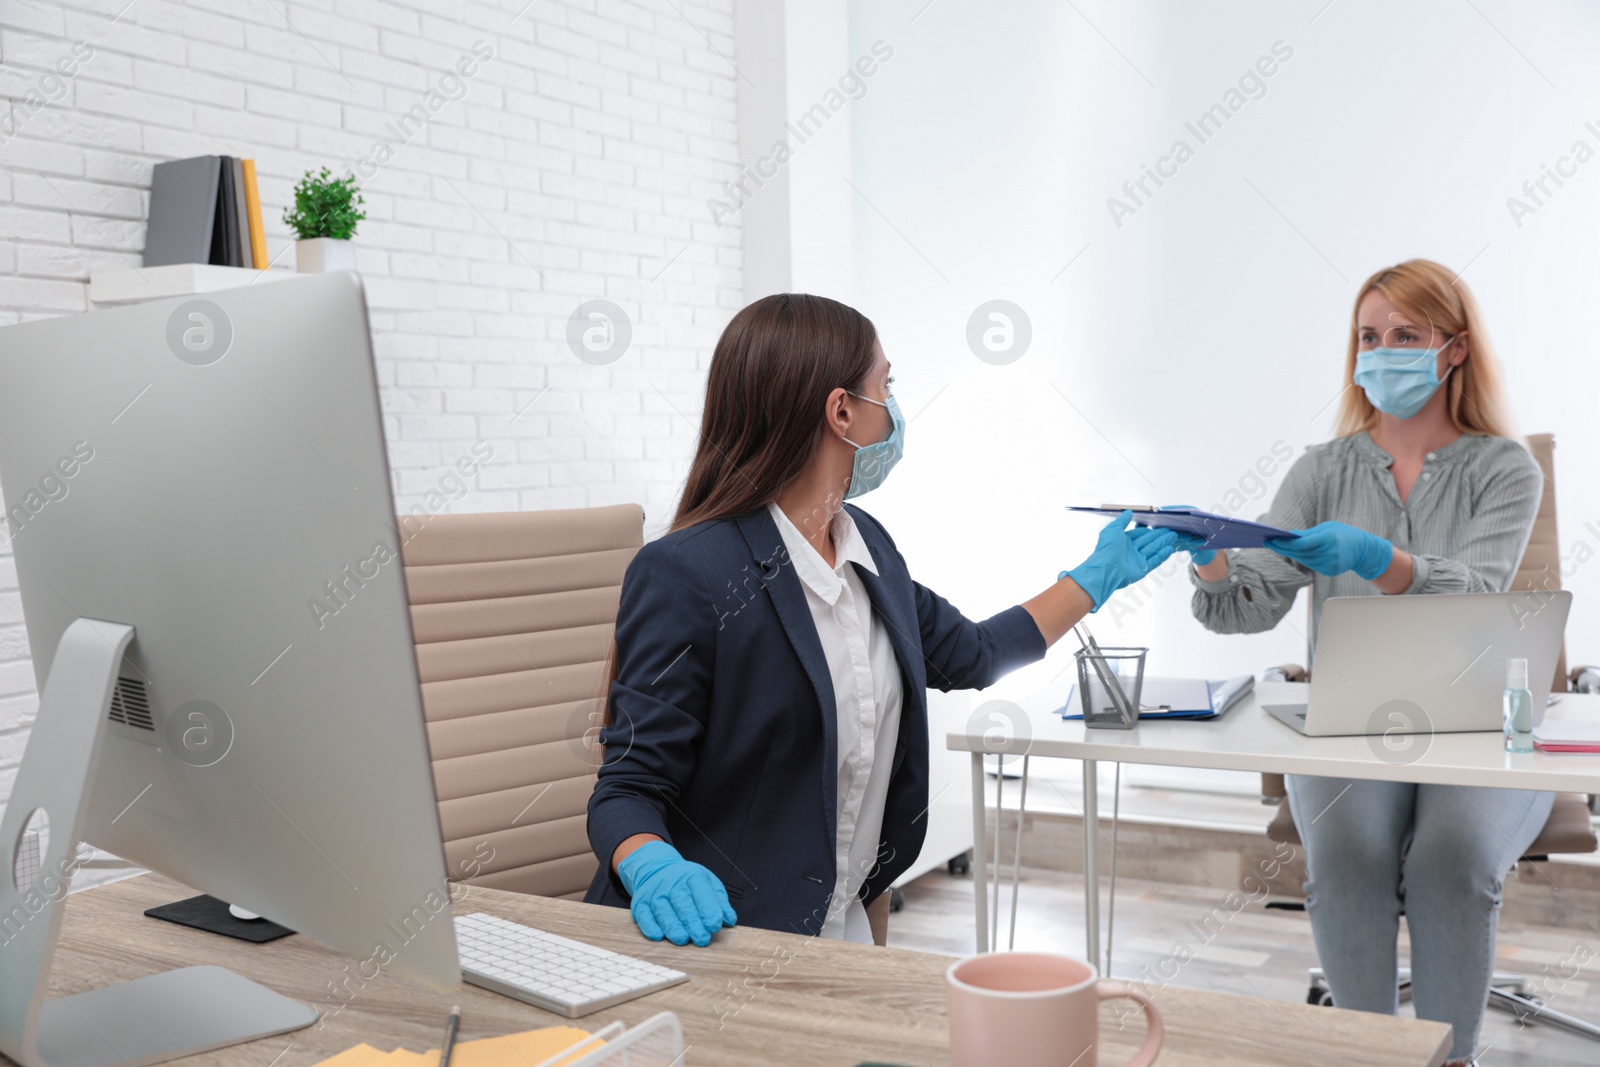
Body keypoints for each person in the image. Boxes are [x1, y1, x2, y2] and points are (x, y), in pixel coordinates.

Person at [584, 292, 1177, 947]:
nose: (893, 407)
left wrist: (1095, 578)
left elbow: (974, 653)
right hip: (716, 938)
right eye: (884, 386)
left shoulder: (866, 546)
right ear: (842, 411)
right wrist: (654, 866)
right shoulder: (689, 572)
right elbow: (627, 789)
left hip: (844, 929)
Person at [1177, 258, 1546, 1066]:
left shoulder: (1506, 468)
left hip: (1478, 725)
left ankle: (1450, 1059)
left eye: (1405, 336)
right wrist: (1209, 558)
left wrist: (1380, 559)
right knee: (1346, 857)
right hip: (1352, 729)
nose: (1382, 353)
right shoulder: (1321, 470)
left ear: (1453, 349)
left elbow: (1478, 593)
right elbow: (1250, 603)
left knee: (1452, 859)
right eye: (1368, 337)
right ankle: (1368, 1055)